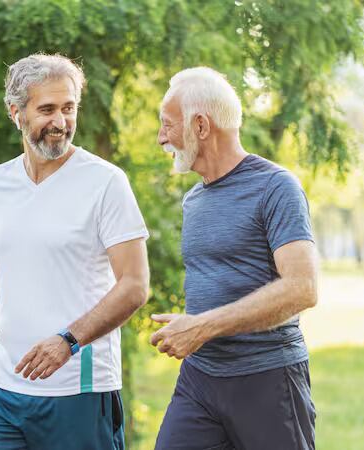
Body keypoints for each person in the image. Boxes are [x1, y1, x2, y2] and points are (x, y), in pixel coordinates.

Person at [0, 53, 150, 450]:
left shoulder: (106, 182)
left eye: (69, 108)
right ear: (15, 113)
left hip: (77, 390)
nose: (60, 122)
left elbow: (134, 285)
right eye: (47, 109)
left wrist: (68, 340)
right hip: (1, 390)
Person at [151, 67, 319, 450]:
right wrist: (195, 328)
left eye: (167, 125)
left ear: (200, 126)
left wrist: (202, 327)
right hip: (200, 378)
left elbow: (303, 288)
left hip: (267, 377)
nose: (161, 137)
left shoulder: (276, 187)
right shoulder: (193, 200)